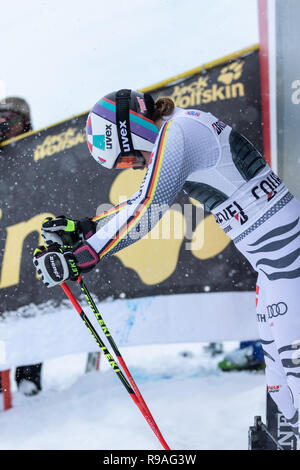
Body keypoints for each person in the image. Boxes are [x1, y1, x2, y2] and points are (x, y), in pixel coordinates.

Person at [34, 89, 300, 435]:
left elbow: (148, 207)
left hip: (288, 265)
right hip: (273, 269)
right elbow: (139, 200)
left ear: (132, 129)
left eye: (129, 159)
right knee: (283, 394)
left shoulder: (180, 133)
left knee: (294, 385)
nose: (137, 164)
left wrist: (85, 256)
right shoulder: (177, 131)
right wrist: (85, 229)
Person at [0, 97, 42, 397]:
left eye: (10, 118)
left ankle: (28, 378)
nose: (4, 123)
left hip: (27, 245)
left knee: (30, 310)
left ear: (24, 122)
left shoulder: (38, 153)